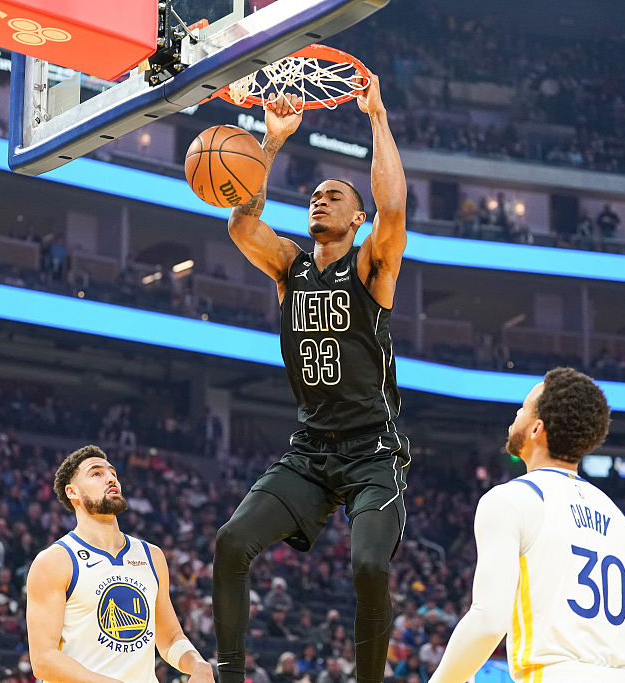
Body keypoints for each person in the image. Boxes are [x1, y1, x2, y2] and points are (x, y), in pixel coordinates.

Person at [214, 69, 409, 683]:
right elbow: (240, 226)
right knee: (229, 544)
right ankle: (229, 676)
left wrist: (376, 117)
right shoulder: (289, 268)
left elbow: (395, 207)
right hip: (309, 452)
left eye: (336, 196)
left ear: (357, 221)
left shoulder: (372, 265)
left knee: (370, 569)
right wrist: (269, 143)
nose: (320, 199)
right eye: (315, 196)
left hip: (373, 451)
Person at [429, 368, 625, 683]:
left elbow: (489, 621)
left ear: (537, 428)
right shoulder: (622, 524)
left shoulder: (511, 499)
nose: (516, 413)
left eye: (523, 408)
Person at [26, 446, 212, 683]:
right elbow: (43, 660)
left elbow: (170, 637)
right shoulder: (54, 561)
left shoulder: (151, 555)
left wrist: (197, 663)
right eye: (96, 474)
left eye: (112, 473)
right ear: (72, 492)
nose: (111, 478)